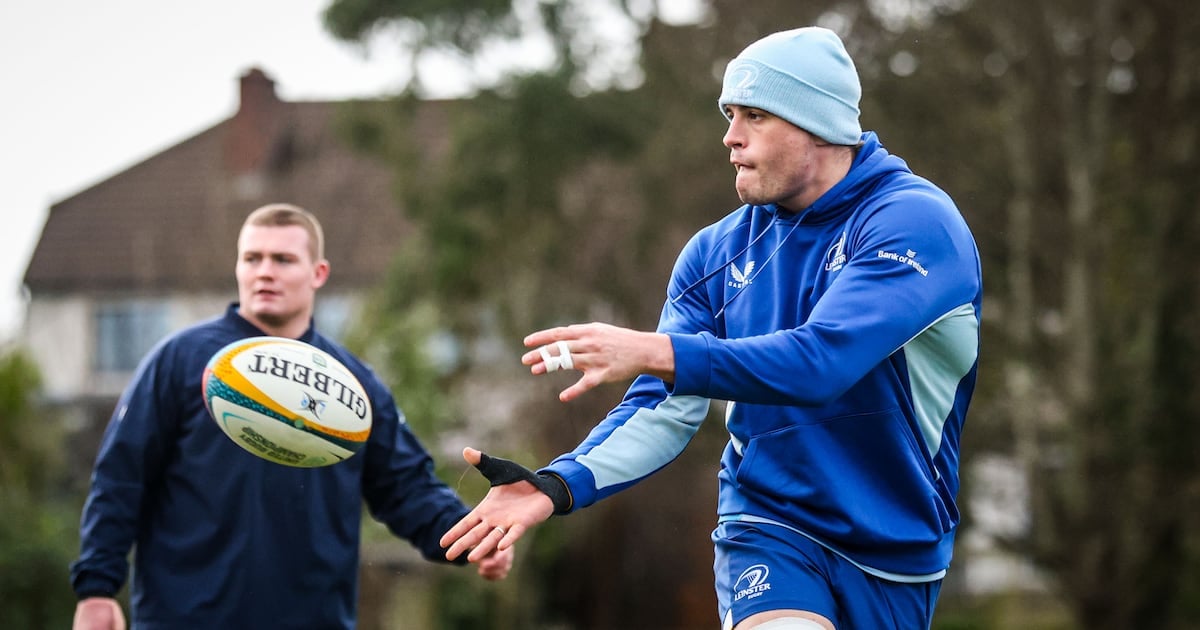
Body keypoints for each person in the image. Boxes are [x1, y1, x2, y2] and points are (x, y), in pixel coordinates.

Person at [440, 26, 982, 630]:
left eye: (754, 115)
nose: (730, 137)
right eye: (729, 114)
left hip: (898, 549)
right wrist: (553, 485)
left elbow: (821, 362)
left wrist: (655, 350)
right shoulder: (714, 254)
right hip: (769, 527)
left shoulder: (912, 223)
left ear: (820, 126)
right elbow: (665, 409)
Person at [70, 203, 513, 630]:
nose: (264, 271)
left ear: (318, 273)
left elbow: (408, 489)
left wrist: (474, 539)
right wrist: (97, 589)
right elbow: (120, 478)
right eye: (252, 258)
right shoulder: (181, 361)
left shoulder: (354, 386)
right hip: (183, 619)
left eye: (282, 259)